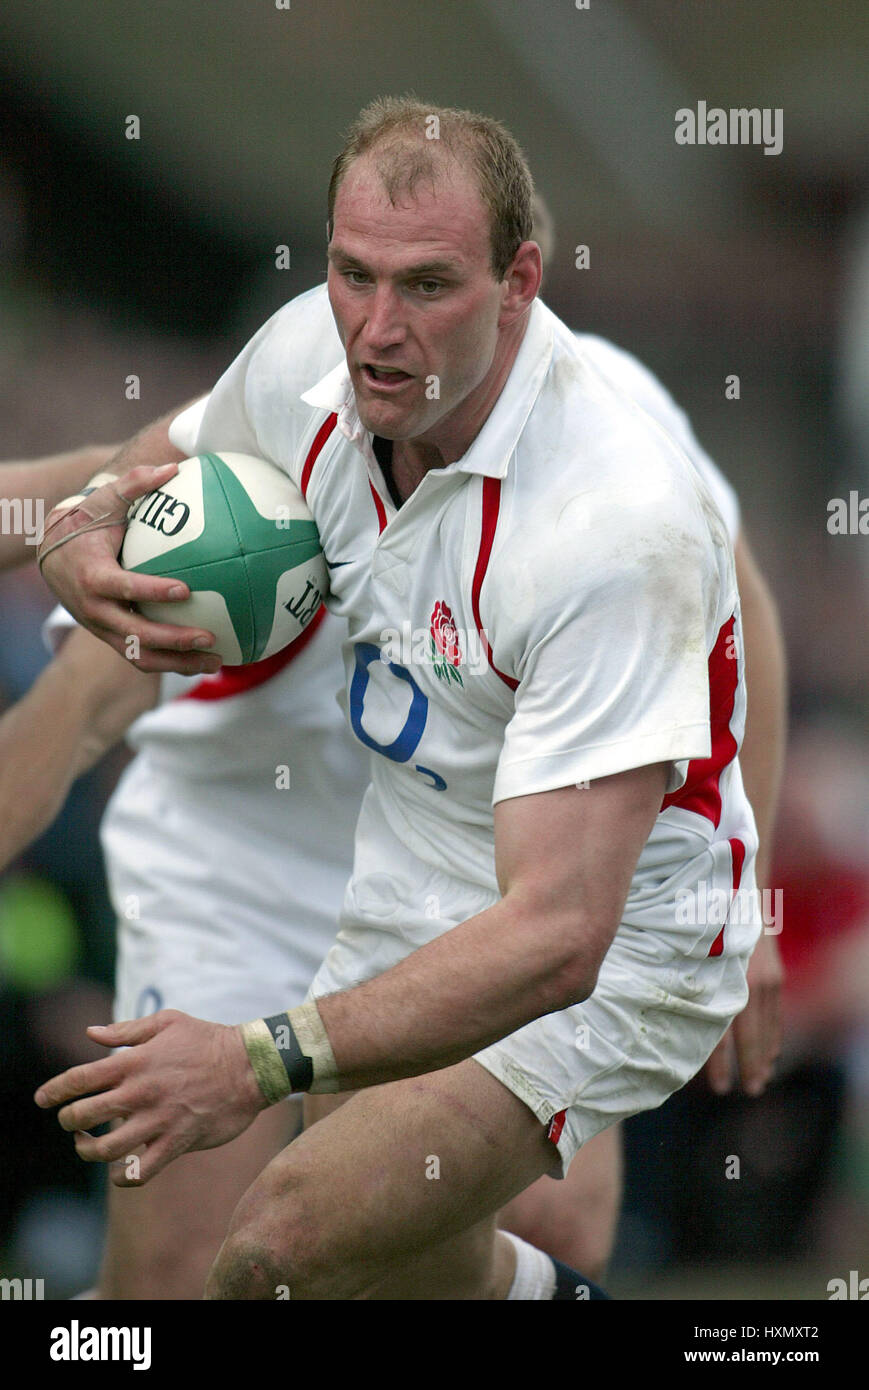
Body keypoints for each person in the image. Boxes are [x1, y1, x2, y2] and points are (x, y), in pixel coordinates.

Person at [35, 97, 774, 1300]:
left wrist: (256, 1057)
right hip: (410, 870)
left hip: (618, 933)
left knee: (277, 1250)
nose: (376, 330)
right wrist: (80, 526)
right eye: (351, 274)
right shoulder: (310, 360)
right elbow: (151, 463)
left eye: (426, 286)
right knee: (393, 1272)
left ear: (518, 280)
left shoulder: (612, 523)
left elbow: (556, 937)